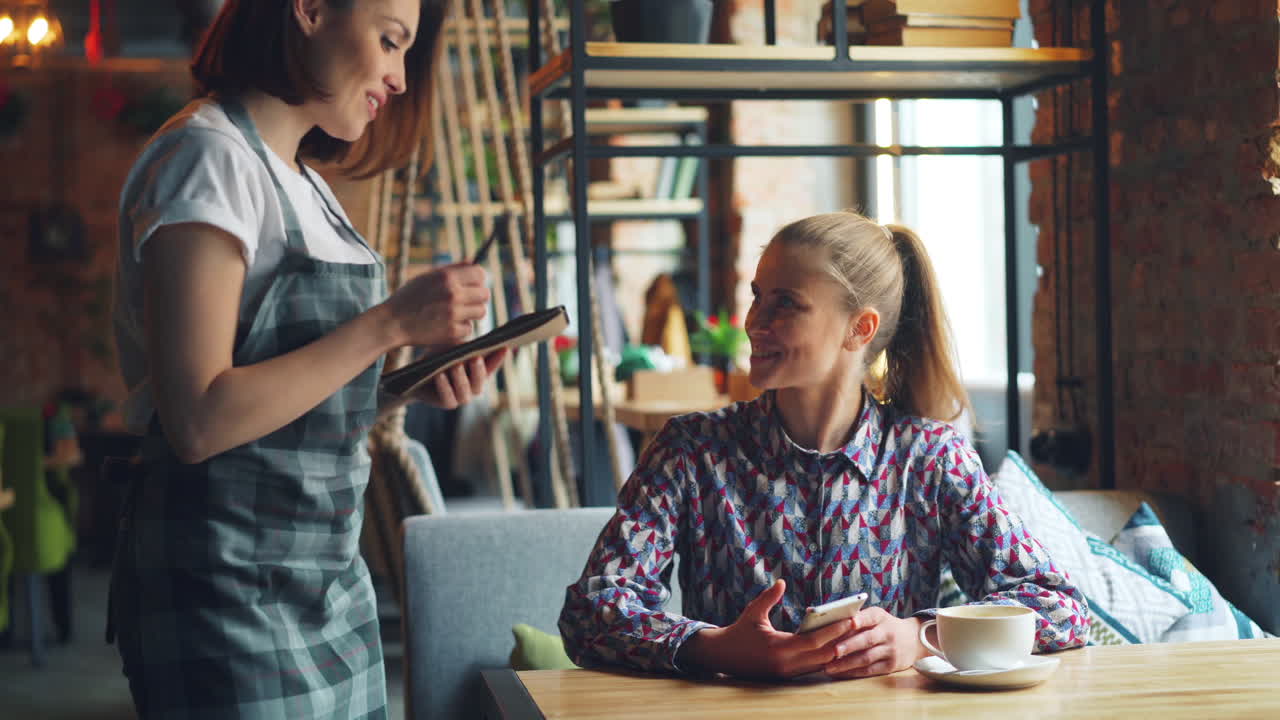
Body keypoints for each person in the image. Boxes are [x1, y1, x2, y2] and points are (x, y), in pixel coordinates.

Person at [108, 1, 504, 717]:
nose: (399, 77)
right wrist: (389, 324)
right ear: (312, 9)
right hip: (224, 595)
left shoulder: (309, 186)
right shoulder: (207, 158)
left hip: (327, 587)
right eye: (390, 42)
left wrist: (396, 391)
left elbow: (286, 400)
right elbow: (198, 417)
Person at [559, 210, 1089, 680]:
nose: (753, 323)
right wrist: (716, 648)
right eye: (757, 298)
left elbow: (1060, 607)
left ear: (860, 329)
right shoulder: (691, 451)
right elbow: (592, 612)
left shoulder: (930, 458)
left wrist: (922, 636)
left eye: (785, 304)